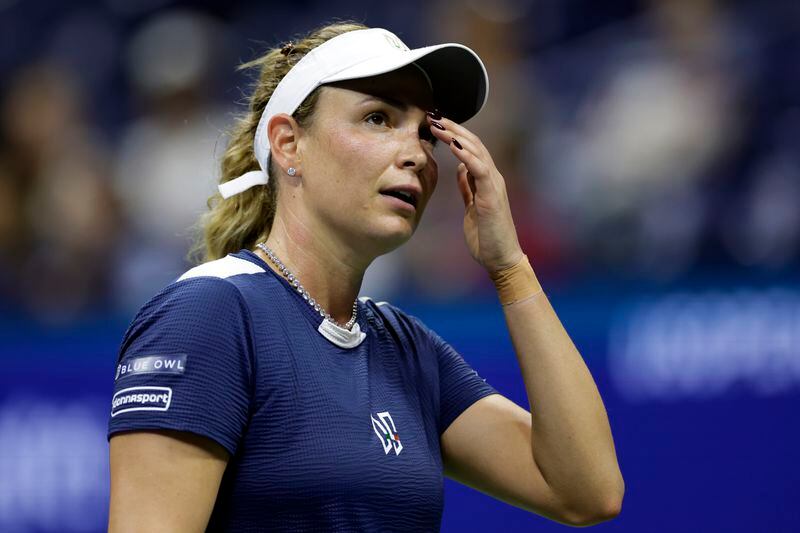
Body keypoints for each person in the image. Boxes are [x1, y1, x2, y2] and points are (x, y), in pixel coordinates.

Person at [107, 22, 624, 531]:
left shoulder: (403, 346)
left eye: (427, 133)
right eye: (378, 118)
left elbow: (585, 490)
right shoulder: (209, 314)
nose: (417, 153)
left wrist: (509, 267)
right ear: (288, 144)